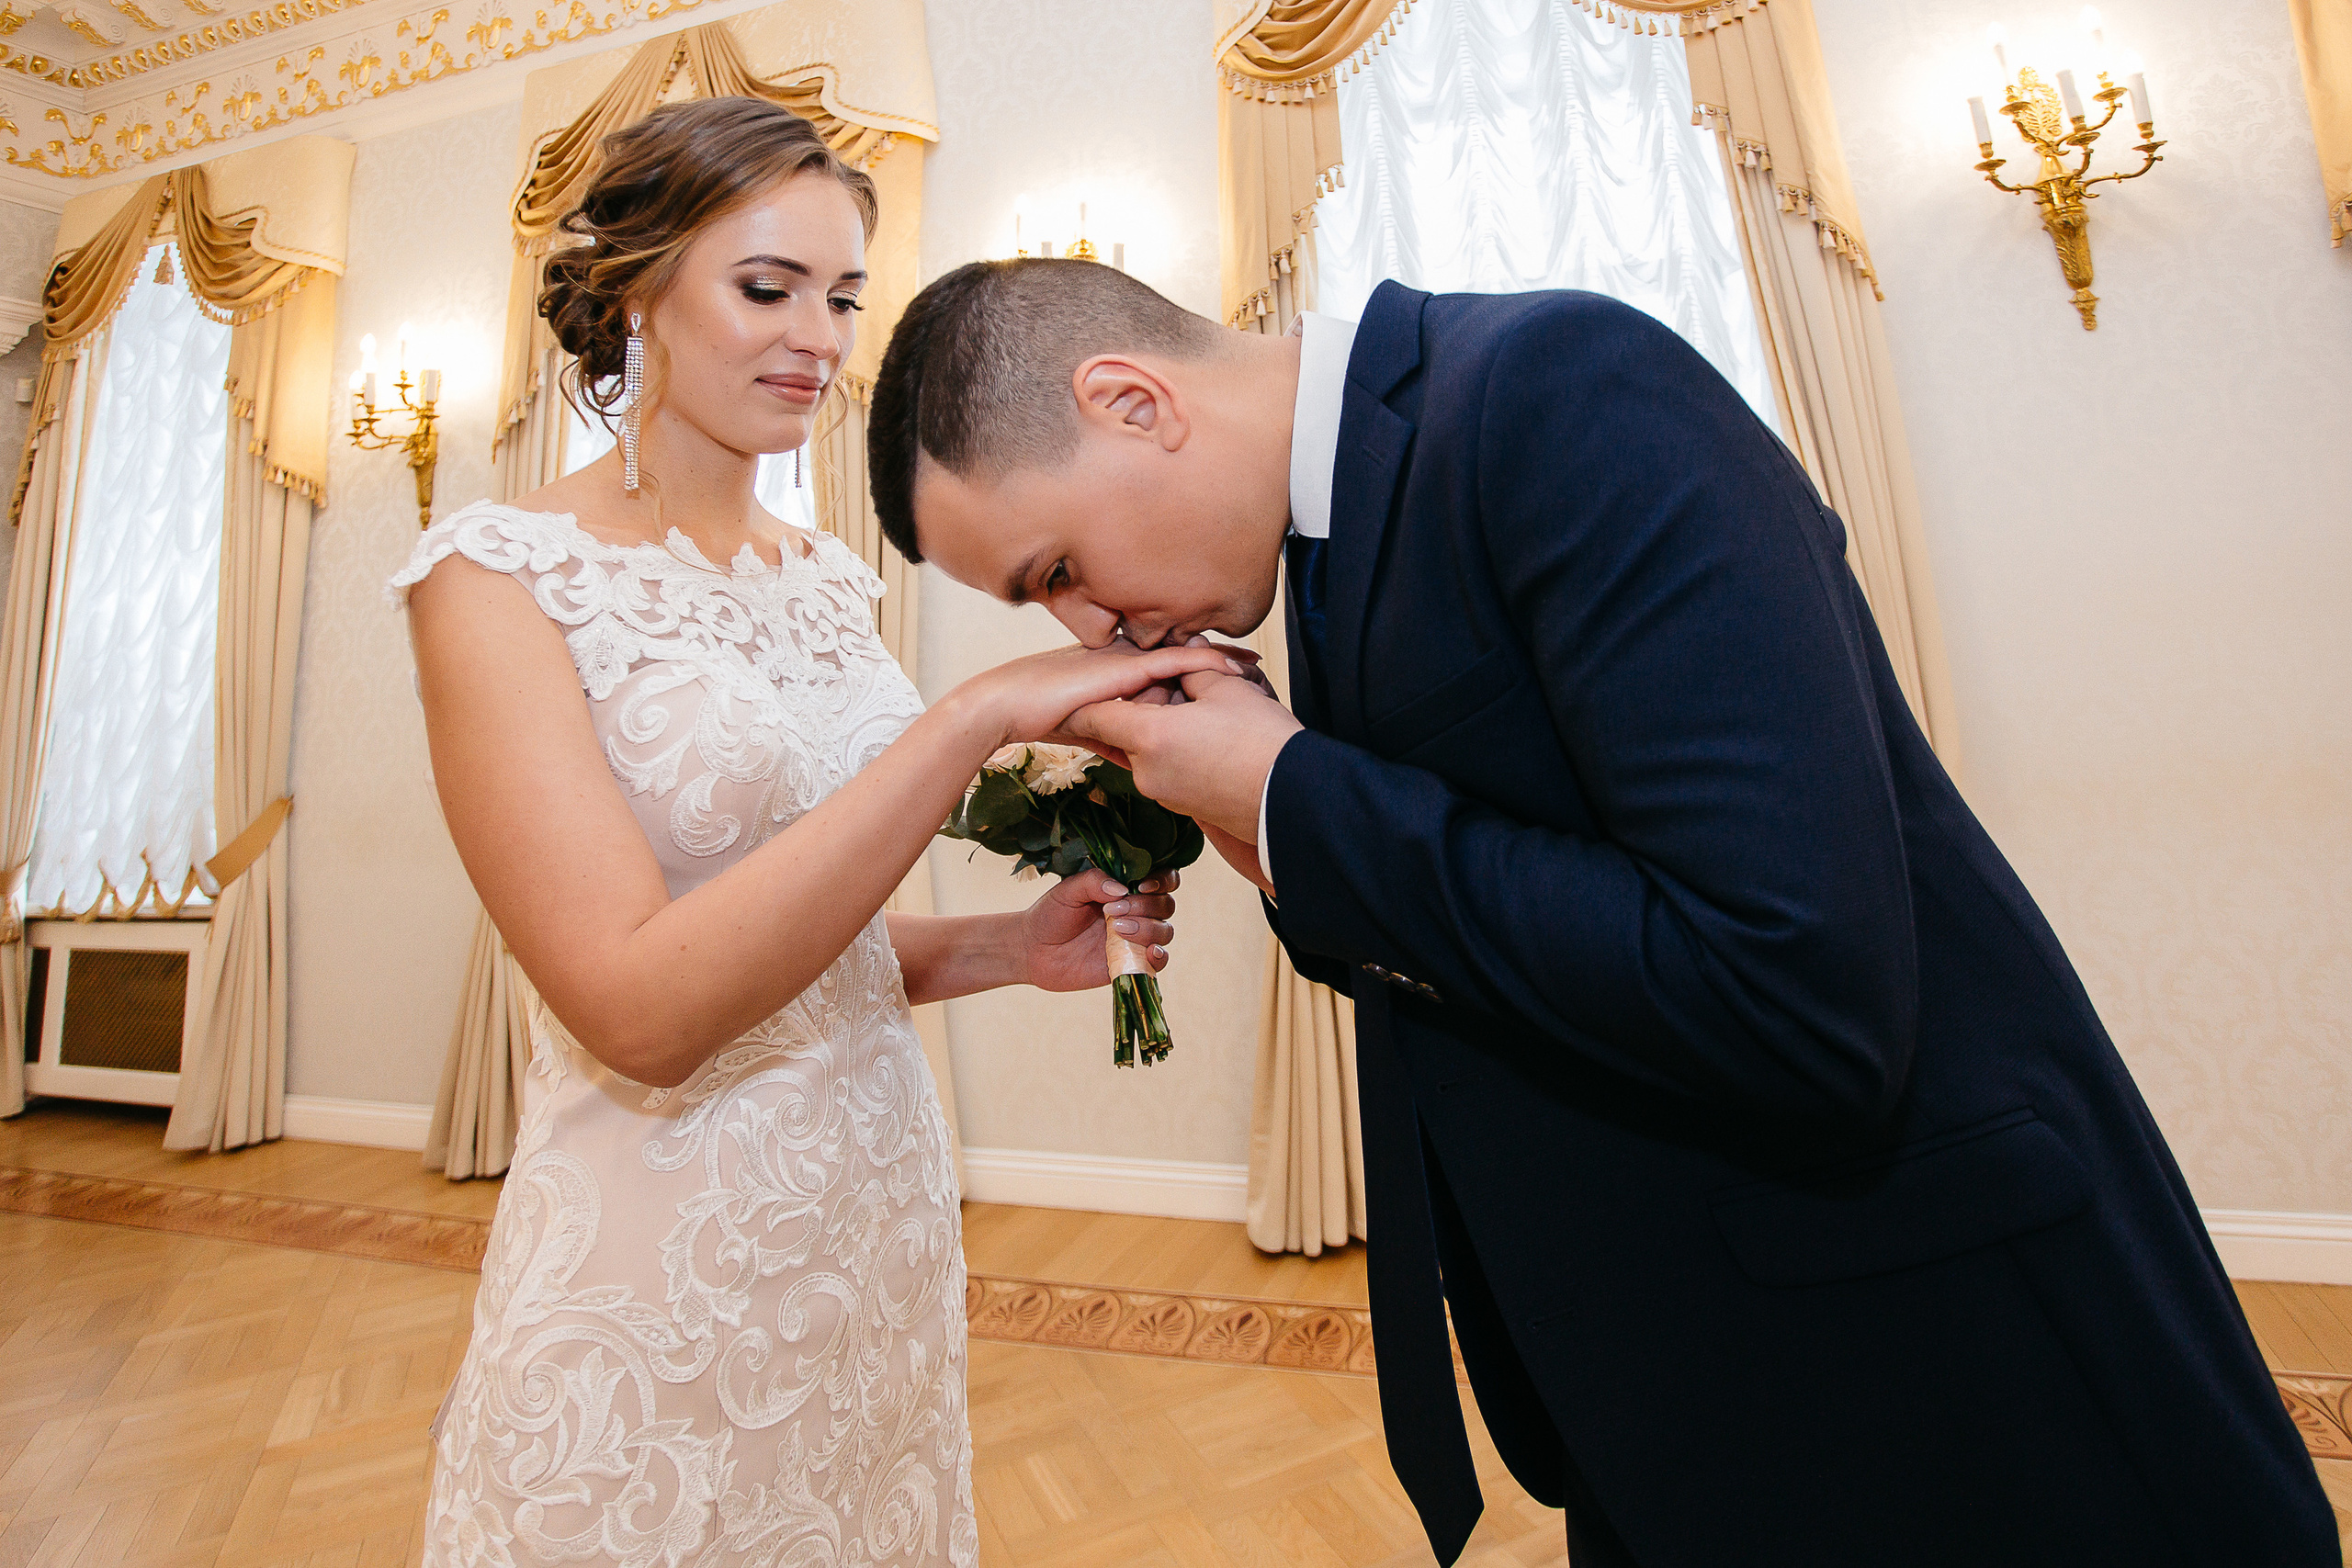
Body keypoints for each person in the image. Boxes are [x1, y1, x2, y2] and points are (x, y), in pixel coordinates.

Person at [861, 258, 2341, 1567]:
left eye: (1057, 570)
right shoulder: (1318, 541)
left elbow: (1796, 987)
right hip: (1683, 1374)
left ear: (1130, 401)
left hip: (1928, 1354)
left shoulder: (1556, 390)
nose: (1088, 629)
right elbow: (1507, 886)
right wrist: (1274, 837)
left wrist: (1306, 794)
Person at [390, 101, 1230, 1568]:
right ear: (640, 288)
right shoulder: (496, 579)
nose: (821, 338)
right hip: (662, 1250)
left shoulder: (829, 579)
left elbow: (796, 934)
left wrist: (996, 950)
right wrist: (971, 720)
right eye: (767, 287)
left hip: (875, 1220)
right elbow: (643, 1008)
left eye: (844, 297)